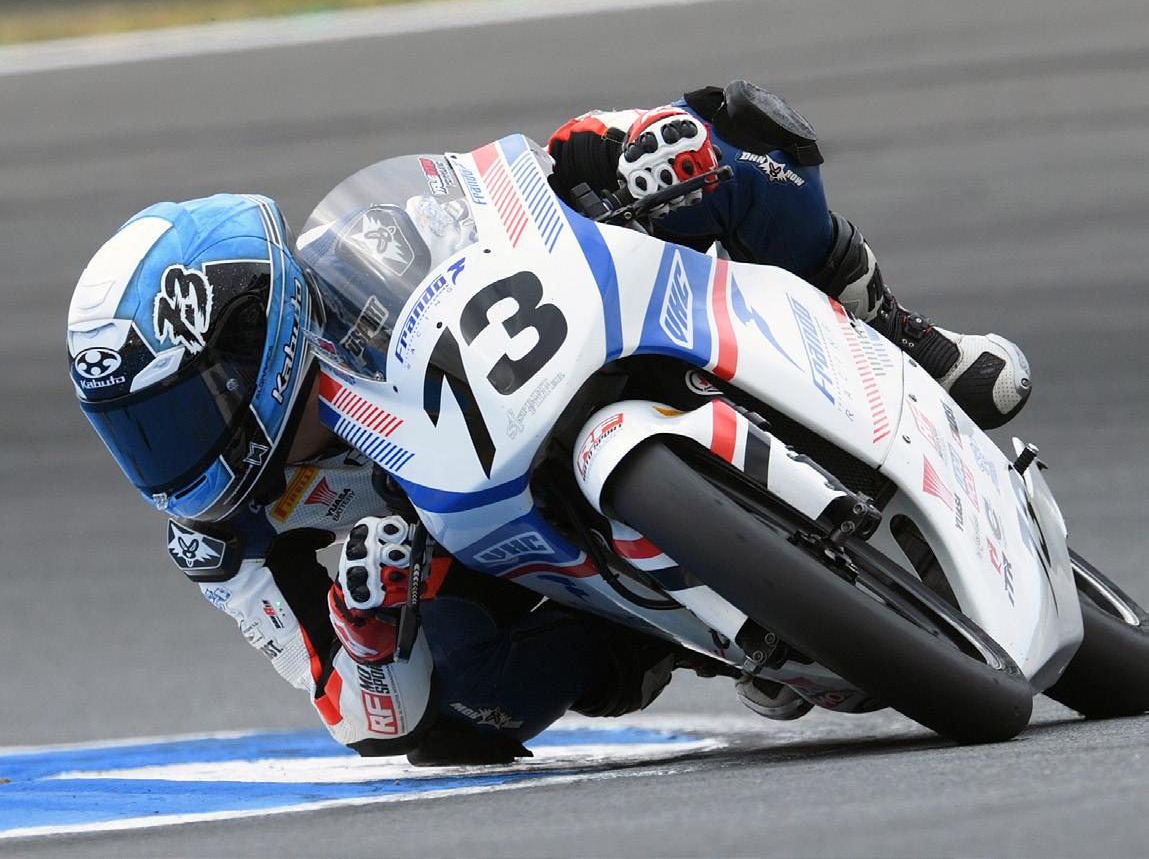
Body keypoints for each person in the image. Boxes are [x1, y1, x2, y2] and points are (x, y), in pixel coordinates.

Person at [67, 193, 682, 766]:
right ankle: (657, 634)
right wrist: (364, 629)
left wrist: (593, 152)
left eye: (184, 412)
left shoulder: (370, 252)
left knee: (678, 163)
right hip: (464, 537)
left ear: (253, 334)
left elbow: (514, 193)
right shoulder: (219, 537)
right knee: (452, 713)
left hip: (548, 363)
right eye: (137, 431)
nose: (168, 453)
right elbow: (362, 720)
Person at [546, 80, 1031, 432]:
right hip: (533, 393)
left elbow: (560, 153)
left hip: (626, 292)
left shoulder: (579, 152)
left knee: (736, 152)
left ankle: (885, 327)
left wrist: (643, 141)